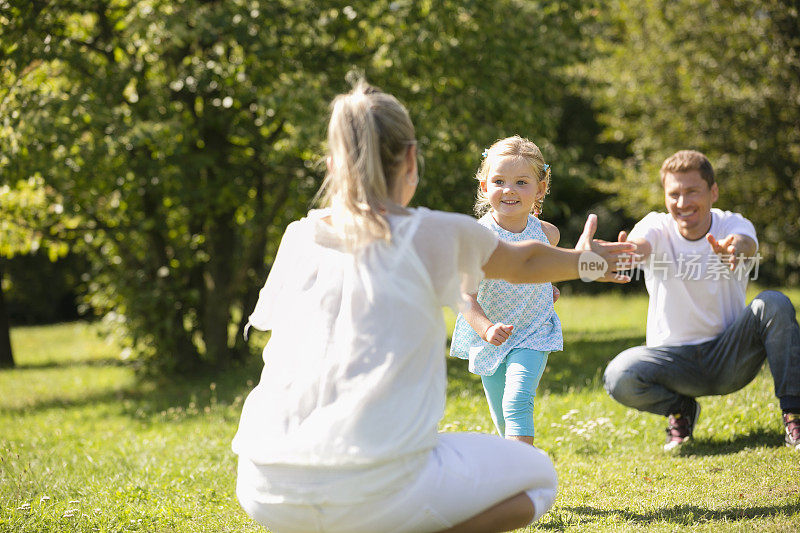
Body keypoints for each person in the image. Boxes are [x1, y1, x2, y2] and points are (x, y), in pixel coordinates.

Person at [231, 80, 634, 533]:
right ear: (410, 160)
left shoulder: (299, 235)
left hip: (263, 484)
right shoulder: (430, 233)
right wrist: (590, 262)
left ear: (330, 165)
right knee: (537, 479)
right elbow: (525, 262)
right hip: (379, 487)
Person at [603, 149, 800, 452]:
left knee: (773, 303)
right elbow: (638, 246)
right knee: (618, 375)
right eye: (674, 194)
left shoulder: (732, 223)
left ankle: (794, 414)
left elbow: (746, 244)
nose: (682, 203)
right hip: (674, 363)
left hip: (730, 356)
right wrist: (620, 253)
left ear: (713, 192)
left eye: (692, 191)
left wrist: (735, 249)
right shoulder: (656, 225)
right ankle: (681, 409)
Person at [450, 136, 562, 446]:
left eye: (521, 182)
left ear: (539, 189)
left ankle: (525, 477)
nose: (509, 189)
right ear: (485, 187)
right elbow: (465, 296)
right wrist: (486, 329)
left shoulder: (546, 234)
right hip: (492, 335)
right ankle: (513, 469)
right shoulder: (477, 239)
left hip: (534, 331)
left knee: (517, 401)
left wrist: (547, 286)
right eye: (499, 181)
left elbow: (547, 266)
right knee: (502, 415)